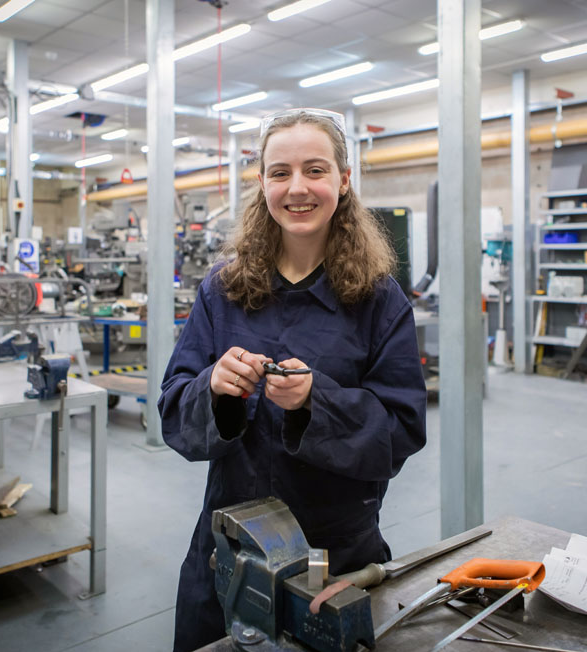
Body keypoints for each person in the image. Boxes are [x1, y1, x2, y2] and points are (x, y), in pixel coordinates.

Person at [158, 108, 427, 651]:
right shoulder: (222, 290)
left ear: (343, 181)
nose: (297, 188)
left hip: (336, 558)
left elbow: (402, 430)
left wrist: (314, 401)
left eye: (315, 170)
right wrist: (215, 388)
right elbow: (172, 413)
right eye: (280, 172)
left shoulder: (380, 300)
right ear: (262, 183)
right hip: (228, 549)